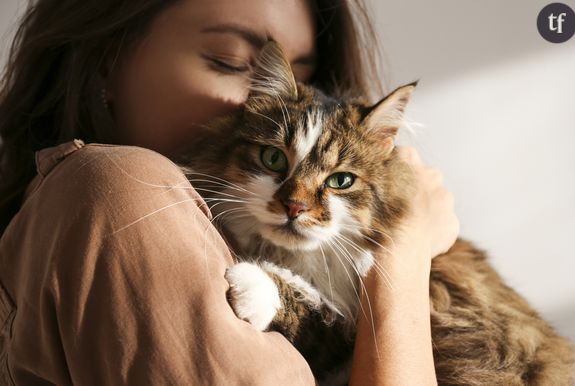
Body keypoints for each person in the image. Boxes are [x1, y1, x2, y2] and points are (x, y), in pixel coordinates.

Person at [0, 0, 459, 385]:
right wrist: (403, 252)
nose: (268, 103)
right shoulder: (123, 188)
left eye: (302, 77)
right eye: (234, 63)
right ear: (105, 60)